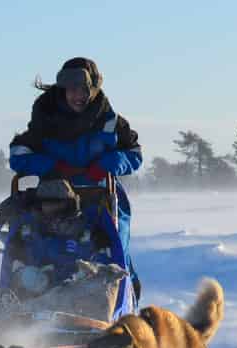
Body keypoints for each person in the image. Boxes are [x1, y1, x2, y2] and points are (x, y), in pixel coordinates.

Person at [8, 57, 143, 300]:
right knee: (35, 247)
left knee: (114, 245)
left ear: (94, 88)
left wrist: (105, 165)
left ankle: (118, 298)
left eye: (83, 89)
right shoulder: (44, 119)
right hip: (53, 199)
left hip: (101, 197)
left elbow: (134, 155)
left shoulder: (110, 122)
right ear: (63, 90)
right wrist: (53, 166)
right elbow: (18, 155)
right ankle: (25, 297)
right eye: (71, 90)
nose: (77, 96)